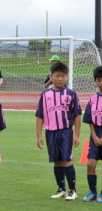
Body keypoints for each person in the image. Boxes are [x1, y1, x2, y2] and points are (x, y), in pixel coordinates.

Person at [36, 62, 81, 200]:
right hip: (50, 132)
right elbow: (40, 116)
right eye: (57, 76)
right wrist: (38, 136)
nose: (60, 79)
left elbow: (77, 115)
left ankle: (72, 190)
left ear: (67, 77)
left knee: (67, 160)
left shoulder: (71, 94)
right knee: (56, 161)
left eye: (63, 76)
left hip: (66, 132)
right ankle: (61, 189)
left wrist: (77, 135)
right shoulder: (45, 95)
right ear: (52, 77)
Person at [81, 66, 102, 202]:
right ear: (95, 81)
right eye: (99, 80)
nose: (101, 83)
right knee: (91, 164)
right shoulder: (93, 99)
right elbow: (90, 120)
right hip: (95, 134)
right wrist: (94, 136)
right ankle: (92, 192)